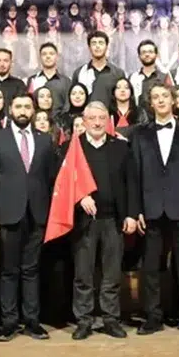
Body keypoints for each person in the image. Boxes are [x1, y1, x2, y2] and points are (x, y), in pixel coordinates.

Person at [130, 85, 179, 336]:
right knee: (150, 267)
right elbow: (135, 175)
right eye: (156, 97)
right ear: (150, 104)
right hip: (150, 209)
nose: (160, 101)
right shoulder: (140, 134)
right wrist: (137, 210)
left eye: (164, 96)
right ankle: (153, 317)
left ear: (173, 101)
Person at [0, 93, 57, 341]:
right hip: (7, 213)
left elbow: (51, 179)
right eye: (18, 106)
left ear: (33, 111)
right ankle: (9, 322)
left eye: (27, 106)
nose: (23, 110)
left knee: (32, 269)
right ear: (10, 110)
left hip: (37, 213)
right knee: (8, 270)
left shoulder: (45, 140)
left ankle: (32, 321)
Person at [69, 102, 139, 340]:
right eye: (92, 118)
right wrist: (81, 197)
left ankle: (111, 319)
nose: (97, 123)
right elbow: (63, 182)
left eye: (101, 118)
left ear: (108, 121)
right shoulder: (73, 147)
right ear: (84, 121)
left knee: (112, 274)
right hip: (84, 221)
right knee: (83, 275)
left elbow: (132, 183)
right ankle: (84, 320)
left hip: (113, 220)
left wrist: (131, 214)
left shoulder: (121, 147)